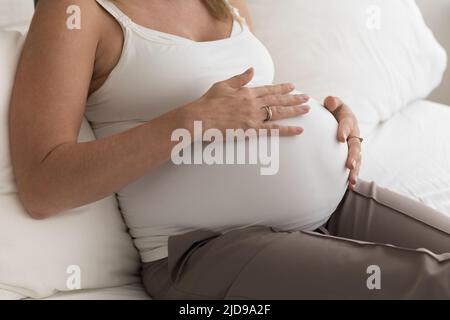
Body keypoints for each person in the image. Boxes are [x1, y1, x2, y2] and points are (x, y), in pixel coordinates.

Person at [9, 0, 450, 299]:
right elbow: (43, 186)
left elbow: (250, 102)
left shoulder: (222, 4)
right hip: (205, 249)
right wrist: (192, 120)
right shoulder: (74, 12)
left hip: (331, 204)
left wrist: (330, 116)